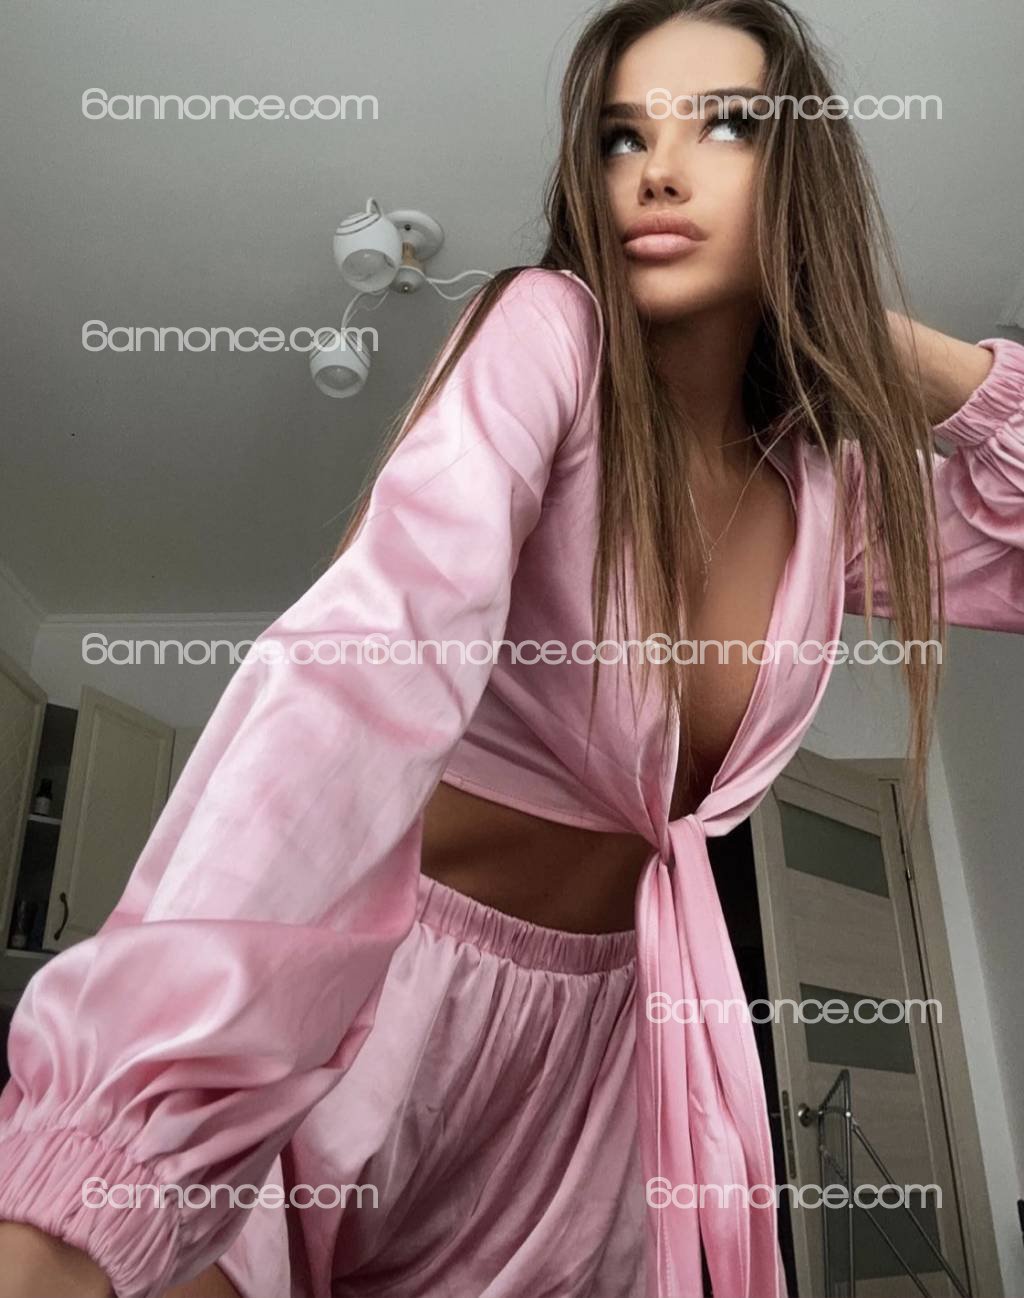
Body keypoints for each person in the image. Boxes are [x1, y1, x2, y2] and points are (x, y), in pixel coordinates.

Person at [2, 1, 1023, 1295]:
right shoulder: (552, 333)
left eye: (725, 126)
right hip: (387, 993)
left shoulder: (829, 491)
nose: (658, 170)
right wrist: (102, 1159)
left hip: (604, 1043)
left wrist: (871, 338)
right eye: (622, 135)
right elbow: (375, 647)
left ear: (799, 174)